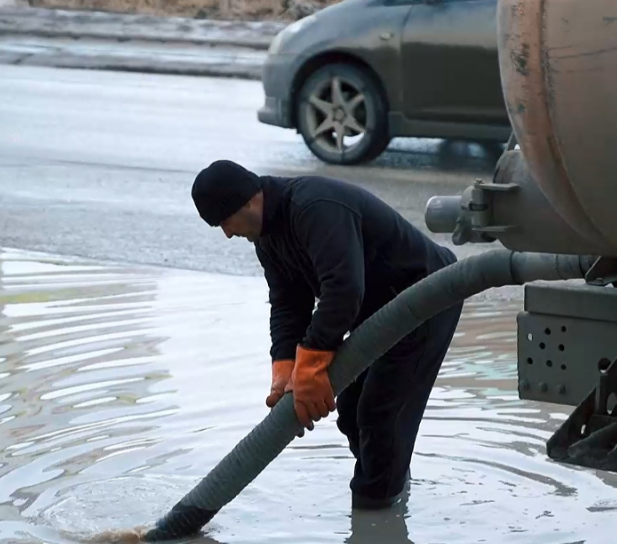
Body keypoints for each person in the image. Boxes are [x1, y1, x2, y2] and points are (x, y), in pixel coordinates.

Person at [190, 159, 463, 510]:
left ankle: (375, 516)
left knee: (380, 413)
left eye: (225, 223)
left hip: (425, 298)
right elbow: (288, 305)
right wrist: (285, 369)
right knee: (350, 410)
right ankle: (390, 484)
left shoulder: (313, 206)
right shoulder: (267, 238)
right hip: (374, 310)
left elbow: (343, 290)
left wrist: (312, 362)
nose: (227, 234)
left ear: (246, 202)